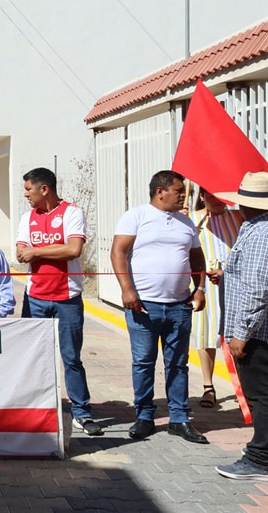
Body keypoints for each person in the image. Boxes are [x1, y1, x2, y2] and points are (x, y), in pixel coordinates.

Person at [111, 170, 208, 444]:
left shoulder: (186, 222)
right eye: (179, 190)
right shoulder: (136, 216)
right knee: (143, 363)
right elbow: (118, 251)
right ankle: (144, 416)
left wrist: (199, 289)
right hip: (143, 305)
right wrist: (127, 290)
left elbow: (197, 257)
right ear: (160, 191)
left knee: (178, 364)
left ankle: (179, 419)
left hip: (179, 306)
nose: (183, 195)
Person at [16, 167, 101, 436]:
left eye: (28, 189)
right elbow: (20, 253)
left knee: (71, 358)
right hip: (35, 298)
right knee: (34, 358)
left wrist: (36, 252)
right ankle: (37, 409)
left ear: (44, 189)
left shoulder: (72, 212)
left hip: (67, 299)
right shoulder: (27, 217)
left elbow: (73, 249)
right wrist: (35, 252)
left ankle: (81, 412)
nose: (26, 195)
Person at [214, 172, 268, 480]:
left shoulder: (261, 233)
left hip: (256, 333)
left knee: (261, 396)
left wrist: (241, 334)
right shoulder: (254, 228)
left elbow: (258, 287)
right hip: (256, 330)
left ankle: (260, 458)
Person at [189, 187, 244, 408]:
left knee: (237, 333)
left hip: (232, 282)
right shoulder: (192, 220)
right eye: (210, 195)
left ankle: (243, 386)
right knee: (206, 331)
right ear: (202, 196)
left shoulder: (238, 216)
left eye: (220, 196)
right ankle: (208, 386)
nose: (216, 200)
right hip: (205, 285)